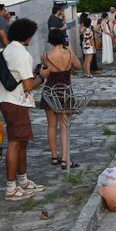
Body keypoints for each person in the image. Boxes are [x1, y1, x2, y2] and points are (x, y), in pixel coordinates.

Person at [0, 18, 50, 201]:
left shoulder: (9, 49)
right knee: (14, 143)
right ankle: (11, 188)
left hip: (10, 101)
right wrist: (42, 77)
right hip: (16, 103)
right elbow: (28, 85)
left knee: (22, 142)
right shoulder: (22, 54)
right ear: (28, 36)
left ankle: (22, 181)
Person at [40, 29, 81, 169]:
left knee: (51, 125)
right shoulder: (69, 54)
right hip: (65, 91)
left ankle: (54, 156)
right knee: (64, 126)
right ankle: (65, 158)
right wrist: (69, 49)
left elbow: (44, 72)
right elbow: (78, 66)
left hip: (50, 91)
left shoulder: (45, 56)